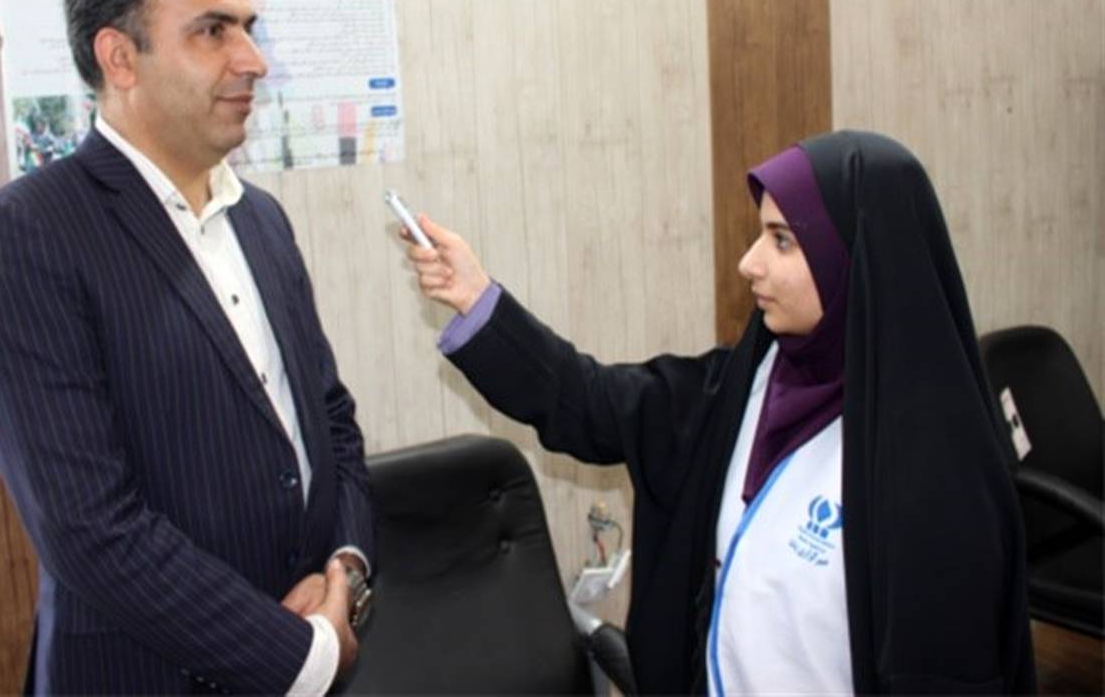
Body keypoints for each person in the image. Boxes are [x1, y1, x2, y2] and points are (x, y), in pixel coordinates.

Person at [399, 131, 1036, 694]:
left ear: (855, 262)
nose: (748, 263)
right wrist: (476, 297)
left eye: (782, 241)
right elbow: (586, 399)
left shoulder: (942, 481)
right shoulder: (742, 387)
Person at [0, 0, 373, 695]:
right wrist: (303, 654)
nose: (252, 60)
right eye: (213, 31)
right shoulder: (27, 232)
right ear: (120, 58)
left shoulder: (261, 219)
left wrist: (345, 573)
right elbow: (90, 528)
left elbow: (331, 421)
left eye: (247, 28)